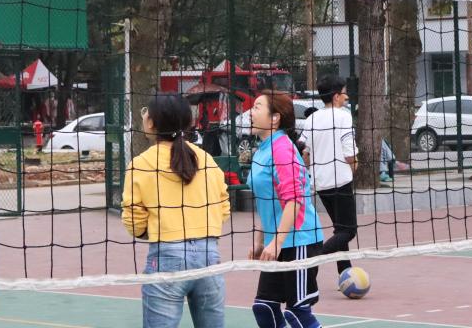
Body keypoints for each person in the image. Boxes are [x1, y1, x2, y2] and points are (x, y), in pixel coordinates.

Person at [122, 93, 231, 328]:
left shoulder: (141, 164)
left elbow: (134, 222)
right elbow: (223, 206)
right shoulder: (206, 159)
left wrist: (160, 229)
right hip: (209, 255)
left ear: (151, 122)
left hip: (166, 256)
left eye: (145, 112)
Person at [248, 91, 324, 328]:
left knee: (297, 312)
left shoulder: (282, 149)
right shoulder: (262, 150)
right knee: (264, 308)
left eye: (257, 107)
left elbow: (294, 200)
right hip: (278, 241)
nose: (251, 112)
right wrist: (261, 241)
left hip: (299, 240)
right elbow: (267, 200)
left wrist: (277, 243)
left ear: (275, 118)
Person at [299, 75, 358, 278]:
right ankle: (314, 260)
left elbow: (304, 153)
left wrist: (313, 168)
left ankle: (345, 272)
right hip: (340, 181)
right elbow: (349, 153)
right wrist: (354, 167)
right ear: (335, 96)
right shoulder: (343, 116)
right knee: (348, 231)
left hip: (321, 183)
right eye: (344, 93)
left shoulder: (311, 119)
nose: (346, 96)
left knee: (339, 229)